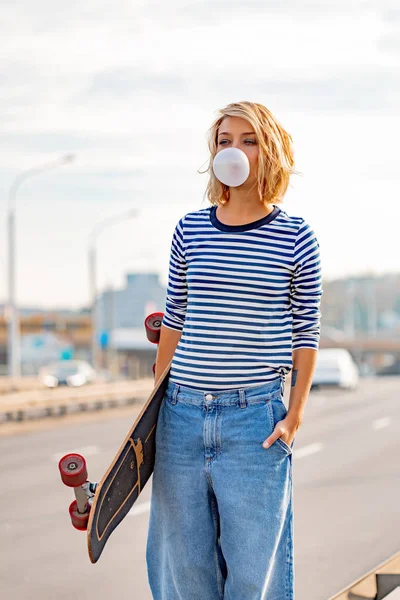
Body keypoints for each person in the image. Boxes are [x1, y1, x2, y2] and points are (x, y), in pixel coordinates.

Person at [146, 101, 323, 600]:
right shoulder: (190, 229)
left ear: (269, 152)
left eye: (248, 140)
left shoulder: (296, 238)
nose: (235, 150)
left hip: (255, 423)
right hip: (181, 415)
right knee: (184, 571)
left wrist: (295, 417)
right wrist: (154, 409)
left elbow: (305, 334)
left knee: (253, 578)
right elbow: (174, 320)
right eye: (225, 140)